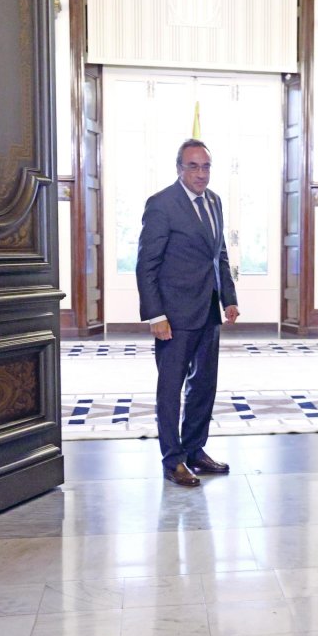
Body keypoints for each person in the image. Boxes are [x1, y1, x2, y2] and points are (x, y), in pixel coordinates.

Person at [136, 139, 238, 488]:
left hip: (207, 311)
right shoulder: (162, 205)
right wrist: (156, 316)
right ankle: (173, 460)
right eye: (193, 166)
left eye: (206, 166)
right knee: (170, 389)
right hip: (174, 316)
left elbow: (218, 253)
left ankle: (195, 449)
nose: (200, 173)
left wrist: (228, 298)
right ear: (179, 168)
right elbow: (146, 265)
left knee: (204, 387)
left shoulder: (214, 202)